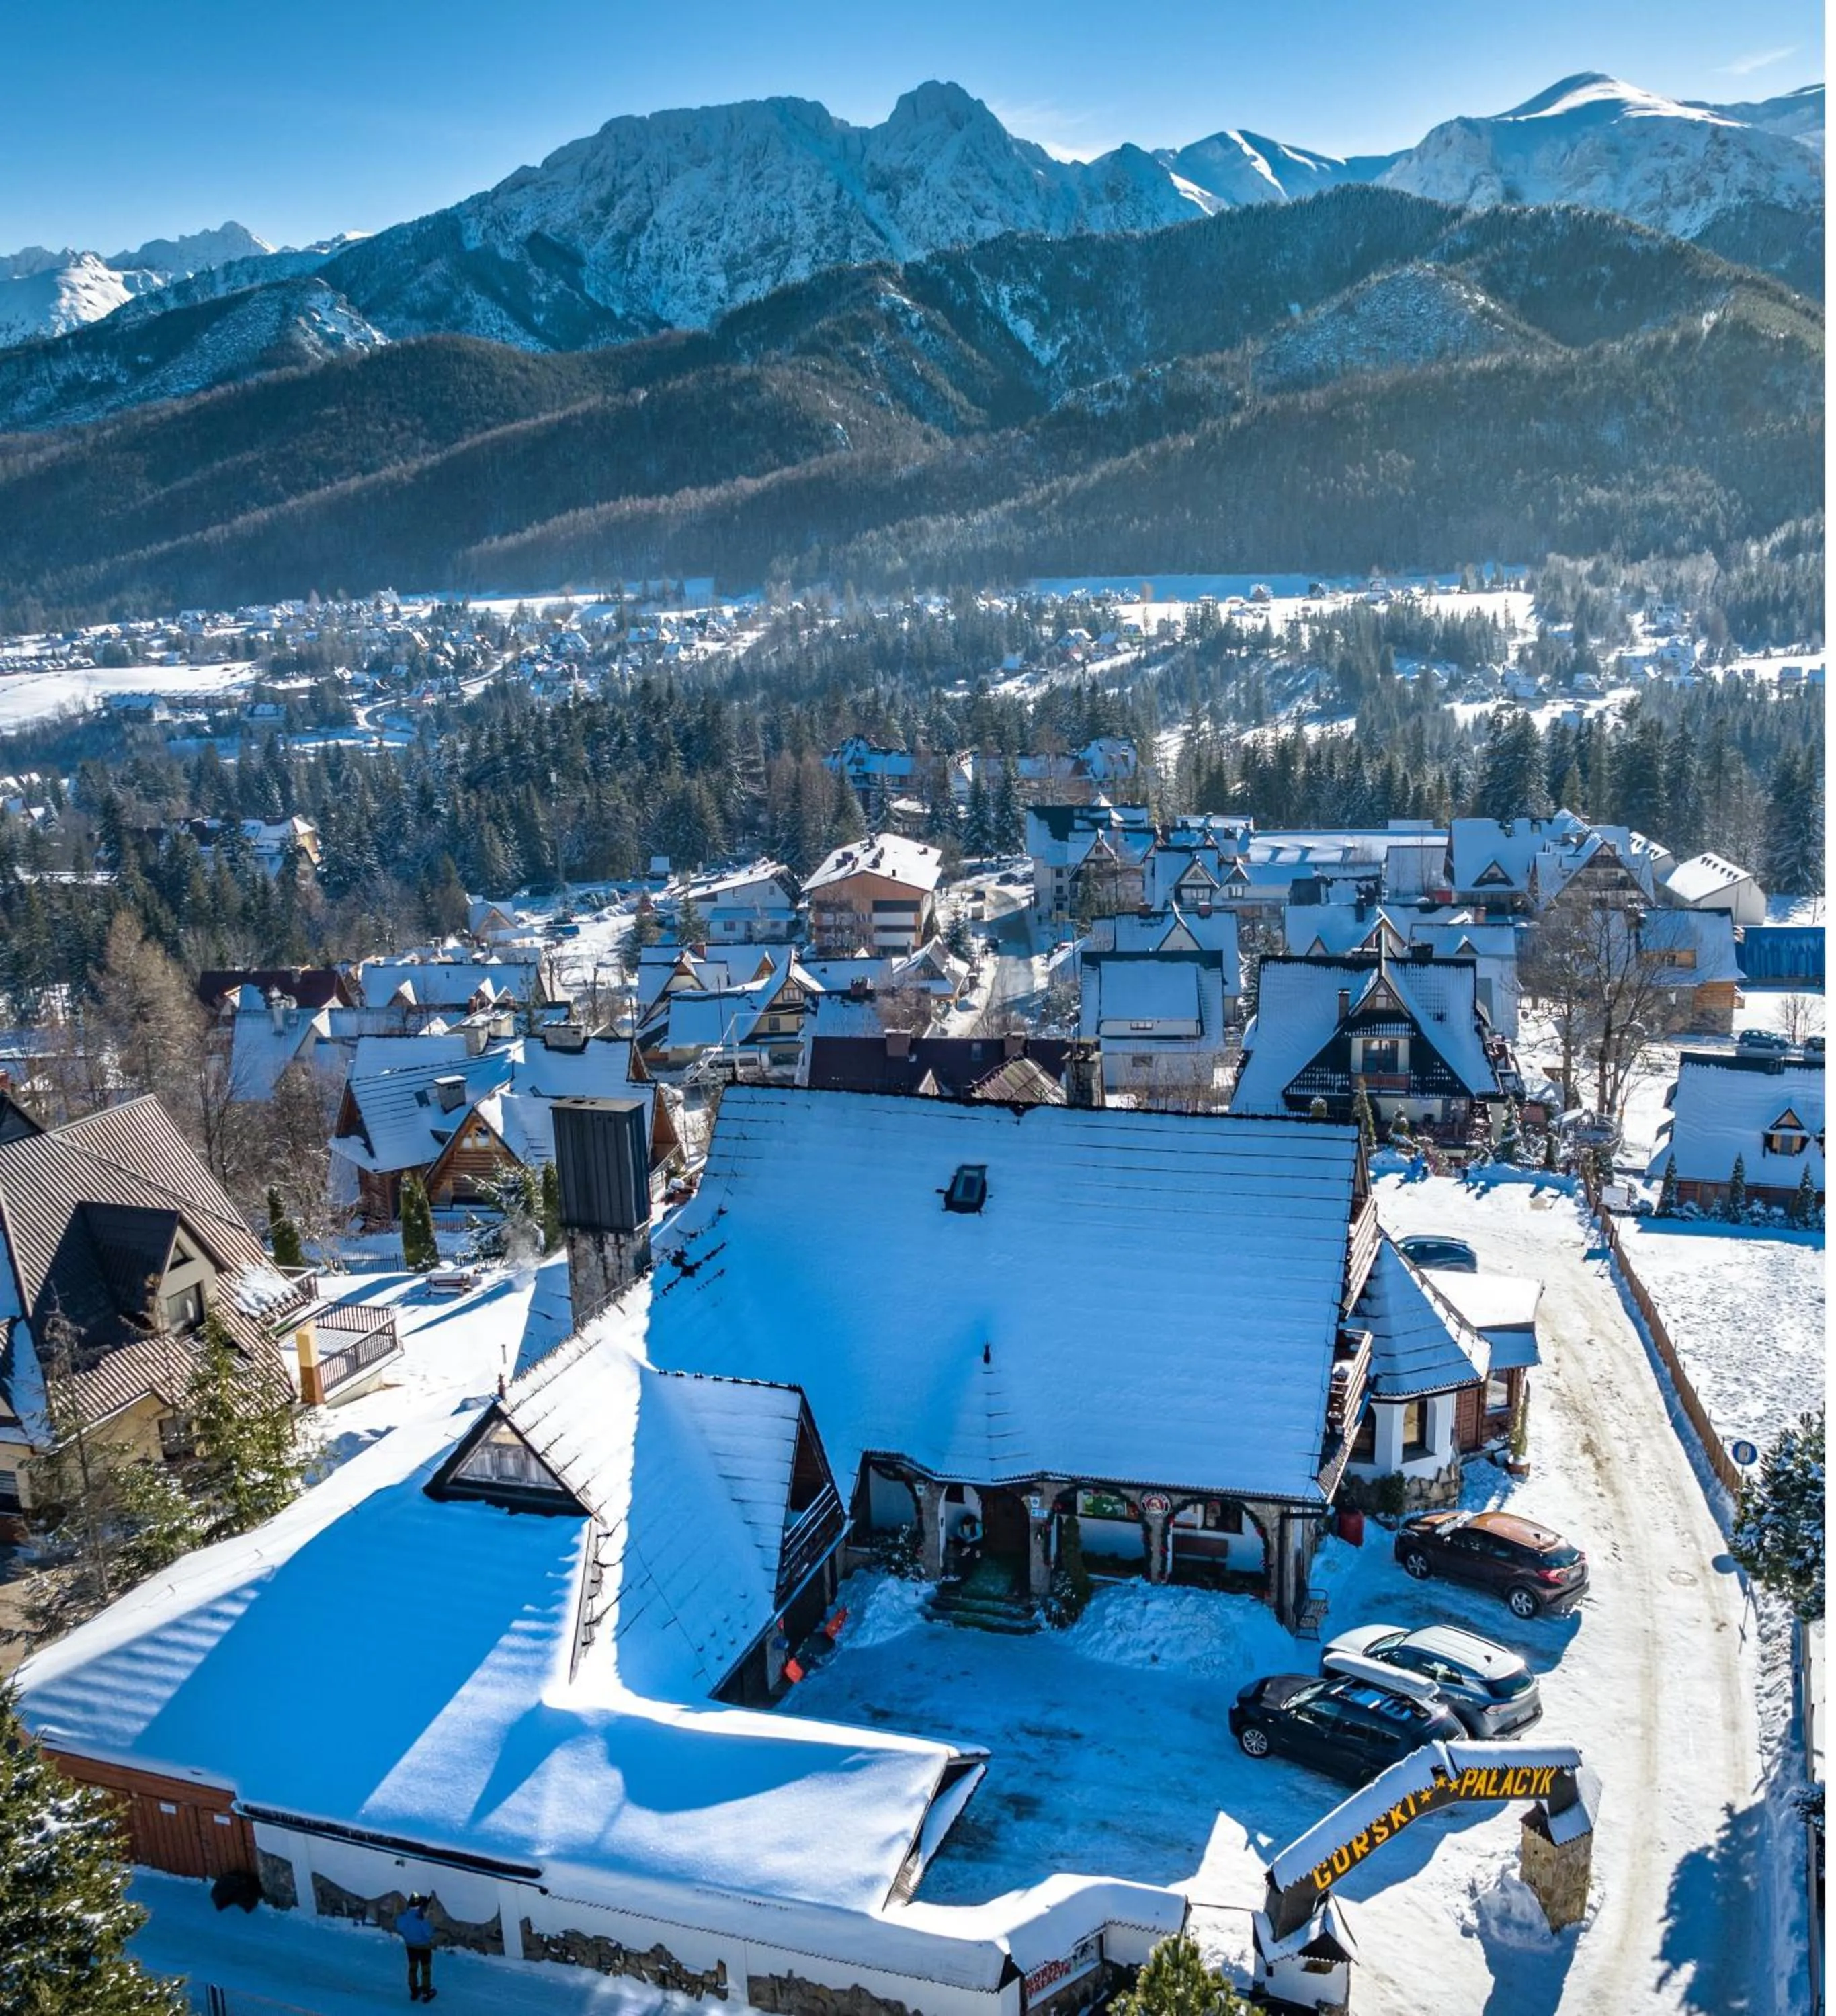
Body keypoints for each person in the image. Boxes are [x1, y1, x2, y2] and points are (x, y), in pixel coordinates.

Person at [397, 1894, 437, 2002]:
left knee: (413, 1968)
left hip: (410, 1946)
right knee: (426, 1970)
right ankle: (426, 1991)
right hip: (424, 1947)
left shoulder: (404, 1917)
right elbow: (430, 1934)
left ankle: (414, 1990)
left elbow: (399, 1926)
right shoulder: (422, 1920)